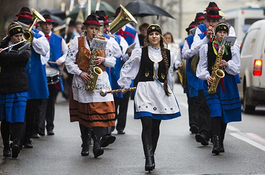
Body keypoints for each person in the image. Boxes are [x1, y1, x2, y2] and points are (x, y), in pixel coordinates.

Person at [118, 24, 181, 172]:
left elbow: (169, 75)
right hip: (144, 90)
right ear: (148, 37)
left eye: (157, 34)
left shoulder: (168, 53)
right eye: (151, 34)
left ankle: (152, 152)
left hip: (160, 93)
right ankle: (149, 158)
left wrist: (169, 91)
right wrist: (124, 83)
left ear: (160, 37)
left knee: (156, 126)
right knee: (146, 123)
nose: (154, 36)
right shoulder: (140, 52)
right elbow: (129, 67)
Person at [65, 14, 117, 158]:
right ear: (85, 29)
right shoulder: (77, 41)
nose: (94, 31)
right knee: (84, 113)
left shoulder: (102, 41)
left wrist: (104, 59)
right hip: (82, 80)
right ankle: (85, 142)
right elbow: (68, 62)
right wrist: (80, 73)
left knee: (99, 113)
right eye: (91, 28)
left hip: (99, 81)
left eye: (96, 28)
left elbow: (113, 61)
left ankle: (97, 143)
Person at [196, 22, 241, 155]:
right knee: (215, 111)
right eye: (220, 32)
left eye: (224, 33)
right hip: (212, 82)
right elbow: (201, 67)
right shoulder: (206, 48)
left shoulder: (232, 48)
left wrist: (227, 64)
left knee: (224, 113)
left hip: (227, 83)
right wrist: (206, 76)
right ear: (215, 34)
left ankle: (221, 141)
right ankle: (215, 142)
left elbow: (237, 67)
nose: (222, 35)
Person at [16, 7, 50, 148]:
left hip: (34, 77)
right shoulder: (14, 34)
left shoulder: (39, 35)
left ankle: (28, 138)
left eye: (27, 22)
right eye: (23, 22)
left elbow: (44, 50)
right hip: (18, 75)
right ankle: (17, 138)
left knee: (32, 109)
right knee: (18, 109)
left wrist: (31, 37)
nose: (25, 25)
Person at [0, 22, 31, 158]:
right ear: (10, 37)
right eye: (16, 36)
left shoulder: (26, 45)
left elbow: (23, 58)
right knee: (5, 119)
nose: (19, 38)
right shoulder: (3, 45)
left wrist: (5, 55)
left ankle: (16, 144)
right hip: (5, 86)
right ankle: (6, 146)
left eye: (20, 35)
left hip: (20, 85)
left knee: (19, 116)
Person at [38, 14, 68, 136]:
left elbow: (67, 53)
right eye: (45, 24)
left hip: (54, 74)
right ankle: (39, 128)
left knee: (50, 102)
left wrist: (61, 59)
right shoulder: (37, 38)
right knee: (41, 102)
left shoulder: (59, 39)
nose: (47, 26)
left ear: (52, 26)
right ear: (40, 25)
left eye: (49, 24)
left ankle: (50, 127)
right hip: (40, 74)